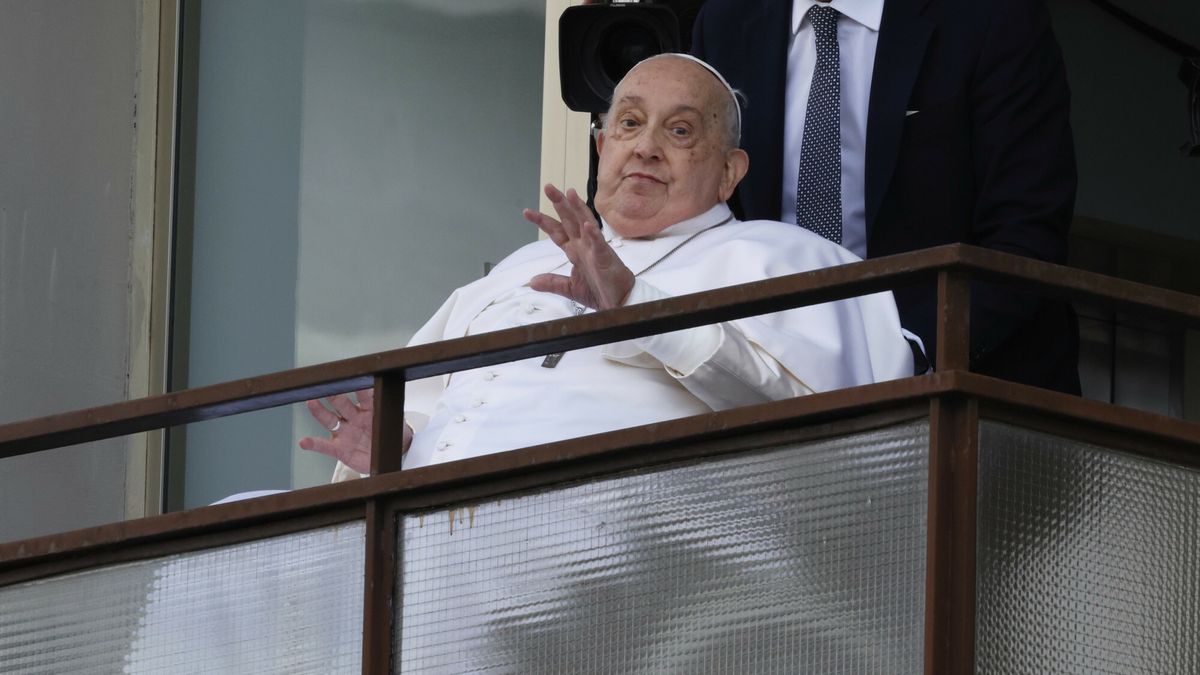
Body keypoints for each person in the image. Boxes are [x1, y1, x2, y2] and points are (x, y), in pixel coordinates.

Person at [300, 53, 915, 478]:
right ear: (601, 148)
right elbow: (420, 413)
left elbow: (826, 430)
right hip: (445, 541)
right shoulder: (515, 270)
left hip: (628, 547)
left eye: (679, 130)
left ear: (730, 172)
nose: (645, 145)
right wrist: (397, 450)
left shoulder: (785, 256)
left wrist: (641, 311)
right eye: (628, 123)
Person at [691, 0, 1081, 394]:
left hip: (958, 385)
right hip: (765, 381)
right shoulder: (725, 20)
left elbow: (1026, 230)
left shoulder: (994, 15)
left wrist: (900, 356)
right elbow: (705, 215)